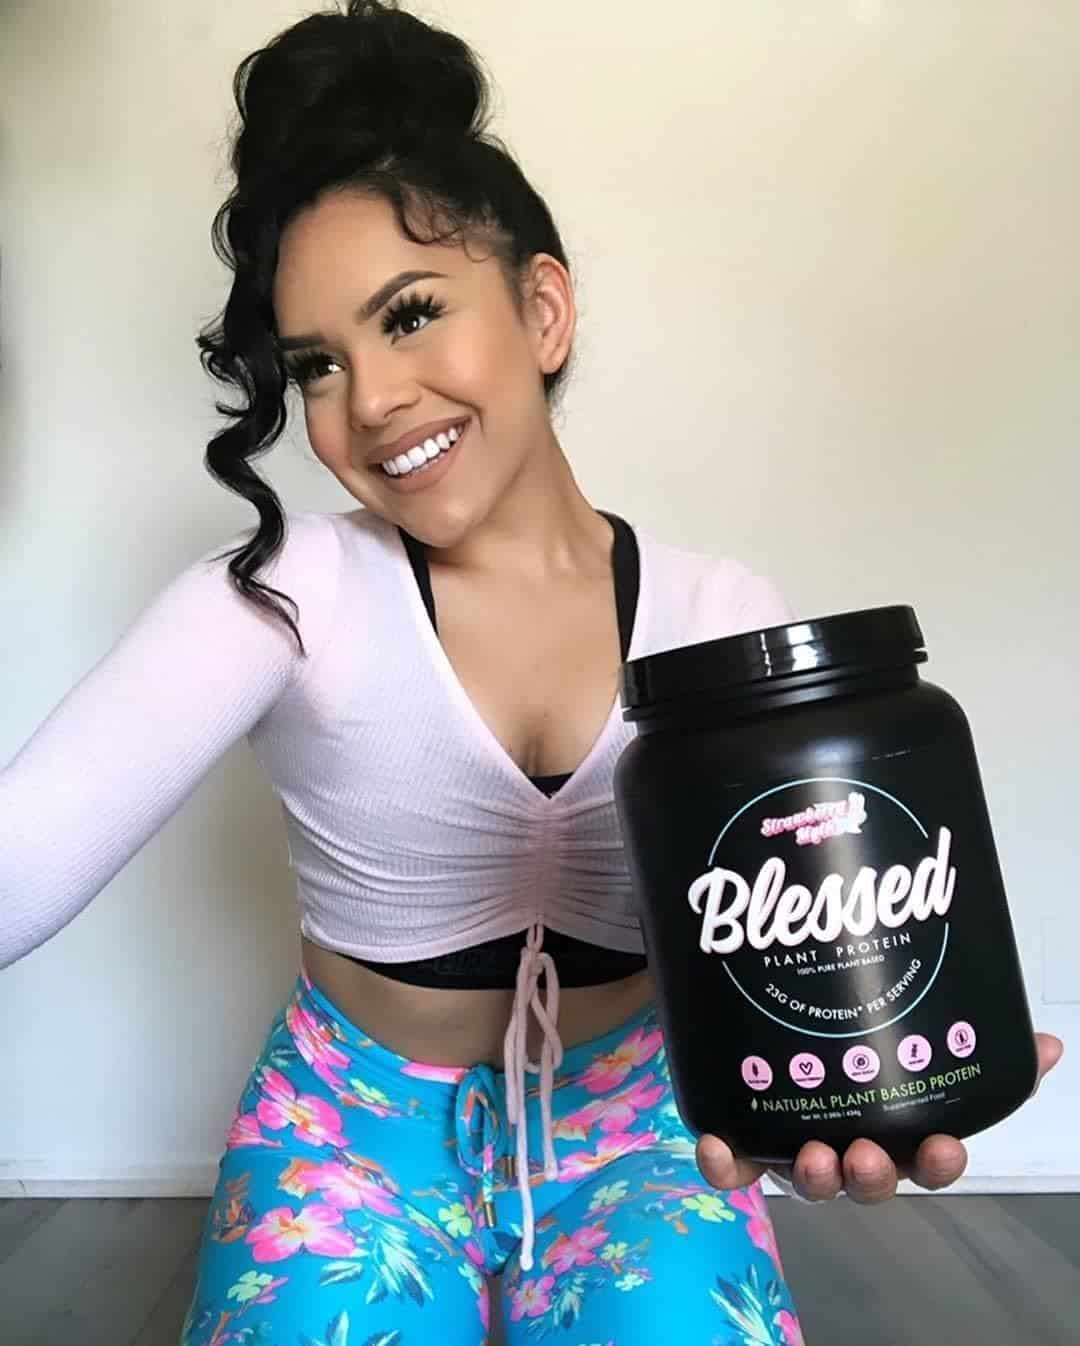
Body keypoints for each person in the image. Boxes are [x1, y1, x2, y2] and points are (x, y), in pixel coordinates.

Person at [1, 3, 1062, 1343]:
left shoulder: (719, 612)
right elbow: (17, 860)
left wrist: (855, 1078)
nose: (369, 400)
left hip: (648, 1134)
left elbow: (813, 947)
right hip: (349, 1138)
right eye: (316, 363)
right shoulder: (284, 594)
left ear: (543, 309)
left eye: (413, 315)